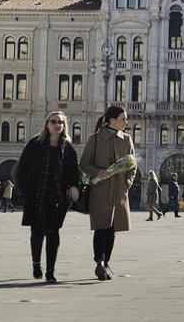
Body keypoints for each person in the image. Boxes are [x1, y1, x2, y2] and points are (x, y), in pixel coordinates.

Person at [14, 111, 80, 283]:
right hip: (37, 195)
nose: (57, 125)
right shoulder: (35, 144)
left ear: (64, 126)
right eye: (54, 122)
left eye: (61, 122)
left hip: (58, 196)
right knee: (36, 233)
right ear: (47, 125)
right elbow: (21, 170)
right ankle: (36, 264)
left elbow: (74, 171)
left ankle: (50, 272)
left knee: (53, 233)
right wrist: (26, 191)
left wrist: (73, 186)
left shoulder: (67, 147)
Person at [80, 105, 136, 281]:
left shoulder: (126, 139)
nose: (126, 122)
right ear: (112, 121)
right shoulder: (94, 139)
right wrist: (97, 172)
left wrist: (127, 183)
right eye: (123, 119)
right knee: (101, 228)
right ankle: (100, 262)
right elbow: (84, 163)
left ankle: (104, 263)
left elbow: (132, 165)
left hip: (119, 191)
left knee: (112, 229)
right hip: (100, 191)